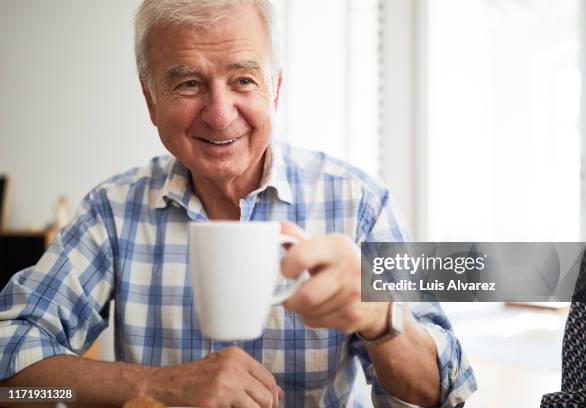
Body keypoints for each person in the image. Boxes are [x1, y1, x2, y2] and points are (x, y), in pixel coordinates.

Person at [0, 0, 476, 406]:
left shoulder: (357, 202)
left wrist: (381, 319)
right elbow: (9, 381)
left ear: (276, 89)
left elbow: (443, 394)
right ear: (151, 100)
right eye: (188, 83)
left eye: (244, 80)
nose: (220, 114)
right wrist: (156, 385)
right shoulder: (112, 209)